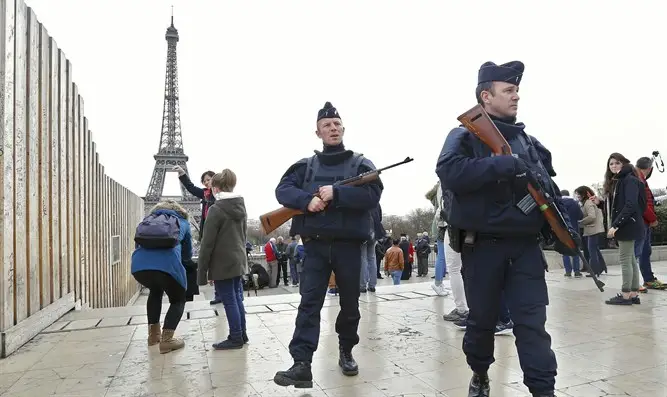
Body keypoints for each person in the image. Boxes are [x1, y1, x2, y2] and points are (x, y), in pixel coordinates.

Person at [437, 60, 573, 397]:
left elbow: (547, 189)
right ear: (486, 96)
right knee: (482, 324)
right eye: (508, 90)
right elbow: (449, 171)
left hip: (525, 249)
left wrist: (564, 226)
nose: (516, 97)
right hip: (481, 249)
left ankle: (544, 391)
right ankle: (480, 374)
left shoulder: (528, 141)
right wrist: (501, 164)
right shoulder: (464, 136)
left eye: (516, 91)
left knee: (532, 326)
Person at [272, 101, 383, 388]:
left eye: (336, 124)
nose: (332, 128)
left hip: (348, 247)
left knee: (350, 304)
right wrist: (306, 200)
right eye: (326, 126)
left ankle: (346, 350)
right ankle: (302, 363)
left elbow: (373, 194)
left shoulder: (361, 164)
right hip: (315, 246)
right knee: (309, 304)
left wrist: (337, 193)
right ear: (318, 133)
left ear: (342, 128)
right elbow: (282, 189)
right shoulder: (305, 167)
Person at [131, 200, 192, 354]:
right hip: (167, 267)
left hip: (140, 267)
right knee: (178, 299)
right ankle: (167, 339)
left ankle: (153, 336)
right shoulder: (182, 222)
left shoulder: (148, 221)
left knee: (155, 291)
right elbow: (187, 253)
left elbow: (138, 244)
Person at [197, 169, 249, 348]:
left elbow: (207, 244)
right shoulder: (241, 206)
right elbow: (243, 236)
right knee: (236, 298)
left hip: (222, 263)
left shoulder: (216, 209)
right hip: (237, 260)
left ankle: (235, 337)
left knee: (229, 299)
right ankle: (242, 333)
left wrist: (202, 272)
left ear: (216, 189)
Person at [603, 153, 646, 305]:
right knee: (631, 259)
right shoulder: (622, 180)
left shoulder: (628, 180)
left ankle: (626, 294)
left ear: (623, 164)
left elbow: (630, 205)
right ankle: (633, 293)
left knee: (625, 259)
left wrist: (616, 225)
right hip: (631, 224)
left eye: (617, 163)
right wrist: (600, 203)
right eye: (611, 164)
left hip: (628, 225)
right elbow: (620, 205)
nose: (614, 166)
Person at [634, 157, 664, 290]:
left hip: (643, 221)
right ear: (650, 169)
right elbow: (643, 204)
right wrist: (652, 218)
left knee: (645, 251)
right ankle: (634, 282)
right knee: (636, 252)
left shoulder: (640, 179)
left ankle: (648, 279)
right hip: (642, 221)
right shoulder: (638, 180)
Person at [575, 186, 606, 277]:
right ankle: (601, 268)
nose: (577, 196)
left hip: (593, 230)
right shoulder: (589, 202)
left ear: (583, 194)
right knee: (595, 250)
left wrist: (580, 222)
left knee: (592, 251)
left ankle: (594, 271)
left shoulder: (588, 203)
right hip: (595, 229)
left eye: (578, 194)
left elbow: (592, 216)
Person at [559, 190, 584, 277]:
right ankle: (577, 271)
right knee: (576, 251)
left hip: (562, 231)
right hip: (574, 229)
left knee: (565, 251)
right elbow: (580, 216)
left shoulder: (558, 202)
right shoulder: (574, 203)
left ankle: (568, 271)